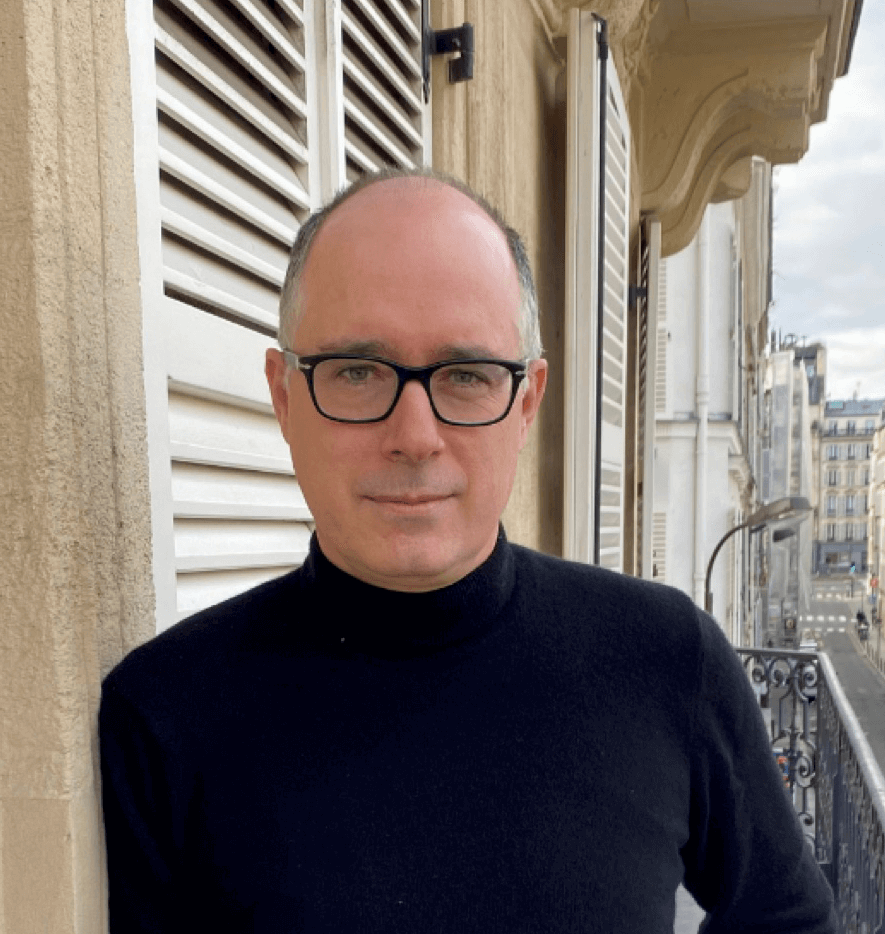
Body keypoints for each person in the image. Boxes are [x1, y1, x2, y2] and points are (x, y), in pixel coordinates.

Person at [99, 168, 836, 932]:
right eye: (356, 371)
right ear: (285, 396)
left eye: (466, 376)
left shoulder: (666, 659)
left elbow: (787, 919)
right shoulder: (164, 717)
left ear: (526, 402)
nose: (416, 436)